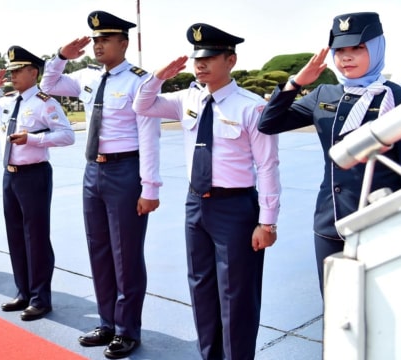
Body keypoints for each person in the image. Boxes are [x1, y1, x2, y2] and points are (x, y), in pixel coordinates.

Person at [133, 23, 281, 360]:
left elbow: (268, 166)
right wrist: (157, 76)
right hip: (196, 204)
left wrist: (267, 221)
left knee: (237, 296)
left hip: (236, 208)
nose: (200, 64)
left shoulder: (251, 106)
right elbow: (142, 105)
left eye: (210, 57)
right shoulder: (188, 97)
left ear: (230, 60)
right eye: (197, 58)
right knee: (201, 288)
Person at [40, 10, 162, 359]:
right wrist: (61, 57)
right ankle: (108, 321)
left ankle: (127, 330)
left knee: (126, 254)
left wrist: (149, 186)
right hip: (93, 170)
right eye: (94, 40)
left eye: (105, 39)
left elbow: (149, 136)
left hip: (126, 171)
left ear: (124, 42)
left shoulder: (141, 80)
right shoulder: (87, 77)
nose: (97, 45)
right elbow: (48, 85)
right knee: (99, 250)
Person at [258, 12, 401, 295]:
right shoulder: (324, 94)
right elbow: (268, 124)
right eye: (340, 51)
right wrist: (295, 83)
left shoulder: (398, 98)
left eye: (357, 48)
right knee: (337, 308)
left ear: (376, 49)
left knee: (384, 309)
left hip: (382, 221)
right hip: (330, 221)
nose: (346, 57)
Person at [0, 46, 75, 321]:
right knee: (16, 236)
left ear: (34, 72)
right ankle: (23, 291)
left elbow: (67, 135)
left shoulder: (45, 102)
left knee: (37, 237)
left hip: (34, 175)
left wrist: (33, 139)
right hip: (10, 174)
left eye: (19, 70)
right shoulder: (8, 100)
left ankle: (41, 298)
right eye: (11, 71)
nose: (13, 75)